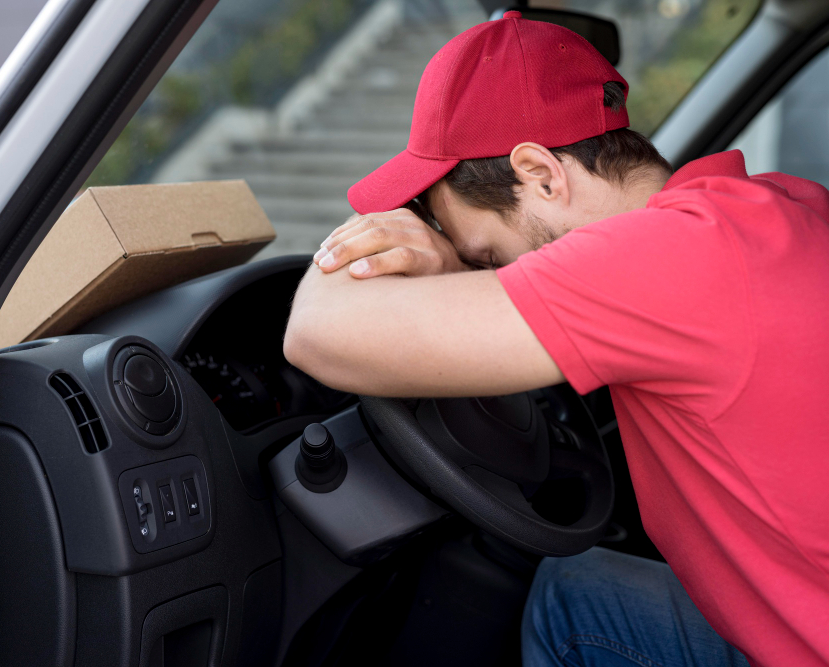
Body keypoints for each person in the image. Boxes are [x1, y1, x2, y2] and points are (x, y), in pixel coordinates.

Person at [282, 11, 829, 667]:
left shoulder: (661, 259)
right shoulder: (775, 202)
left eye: (485, 255)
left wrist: (343, 253)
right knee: (573, 593)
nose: (492, 273)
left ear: (541, 173)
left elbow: (313, 334)